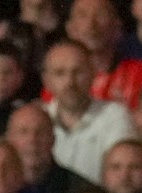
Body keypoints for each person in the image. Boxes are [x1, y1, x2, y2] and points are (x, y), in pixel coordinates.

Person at [42, 41, 136, 183]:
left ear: (93, 74)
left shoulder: (115, 117)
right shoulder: (38, 120)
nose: (70, 82)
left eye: (78, 72)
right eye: (60, 73)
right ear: (47, 80)